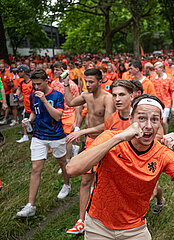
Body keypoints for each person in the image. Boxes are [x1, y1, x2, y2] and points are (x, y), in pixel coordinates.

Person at [66, 94, 174, 239]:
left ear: (160, 123)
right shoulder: (110, 138)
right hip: (98, 225)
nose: (148, 126)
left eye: (154, 119)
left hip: (135, 229)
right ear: (131, 119)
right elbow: (72, 169)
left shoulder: (163, 154)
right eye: (142, 118)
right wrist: (118, 138)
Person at [63, 68, 114, 235]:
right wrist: (65, 83)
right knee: (85, 180)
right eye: (86, 81)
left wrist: (82, 131)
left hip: (105, 142)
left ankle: (108, 216)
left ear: (100, 81)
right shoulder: (85, 95)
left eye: (91, 82)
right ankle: (81, 220)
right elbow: (70, 102)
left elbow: (107, 126)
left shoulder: (108, 98)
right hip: (89, 142)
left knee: (107, 181)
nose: (88, 85)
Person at [16, 69, 71, 217]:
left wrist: (45, 100)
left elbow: (58, 116)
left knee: (62, 163)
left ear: (47, 80)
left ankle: (67, 184)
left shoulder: (57, 95)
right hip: (39, 136)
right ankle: (31, 205)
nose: (36, 87)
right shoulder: (33, 95)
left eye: (39, 84)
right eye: (34, 84)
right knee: (36, 168)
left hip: (56, 136)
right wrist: (28, 120)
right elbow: (34, 112)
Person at [51, 61, 80, 174]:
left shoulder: (72, 85)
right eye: (55, 69)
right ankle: (74, 149)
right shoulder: (53, 84)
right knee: (60, 139)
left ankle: (67, 162)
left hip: (69, 113)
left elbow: (77, 103)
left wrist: (76, 123)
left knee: (67, 139)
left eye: (58, 69)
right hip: (58, 114)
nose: (56, 72)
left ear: (64, 70)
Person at [153, 62, 174, 134]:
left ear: (162, 69)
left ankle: (165, 135)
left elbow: (173, 92)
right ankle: (160, 135)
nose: (155, 71)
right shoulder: (154, 79)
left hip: (166, 102)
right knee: (158, 121)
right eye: (155, 69)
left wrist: (173, 106)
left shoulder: (169, 79)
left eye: (157, 69)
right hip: (157, 103)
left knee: (164, 121)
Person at [15, 65, 33, 143]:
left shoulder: (32, 82)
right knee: (25, 120)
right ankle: (25, 135)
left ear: (23, 72)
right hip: (26, 106)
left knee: (33, 122)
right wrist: (17, 95)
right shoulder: (22, 82)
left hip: (33, 106)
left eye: (18, 72)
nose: (17, 73)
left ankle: (34, 137)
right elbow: (19, 89)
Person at [0, 61, 19, 126]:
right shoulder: (0, 74)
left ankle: (15, 120)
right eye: (0, 67)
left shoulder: (8, 73)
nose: (1, 68)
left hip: (11, 92)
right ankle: (5, 119)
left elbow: (11, 84)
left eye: (2, 67)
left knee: (13, 106)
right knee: (7, 106)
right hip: (4, 93)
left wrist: (9, 84)